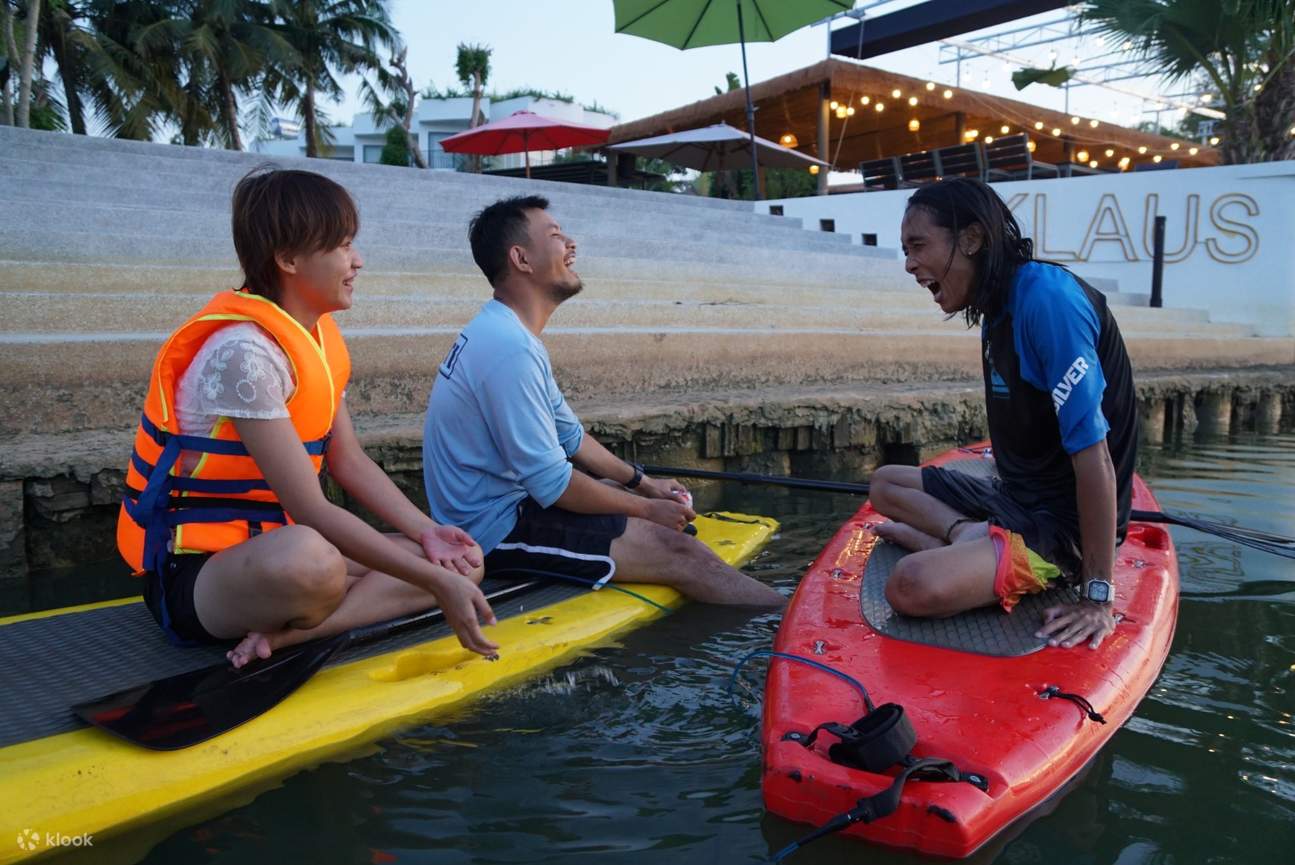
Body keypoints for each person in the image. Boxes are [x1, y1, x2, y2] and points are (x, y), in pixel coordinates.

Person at [117, 167, 498, 668]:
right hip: (200, 574)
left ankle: (287, 639)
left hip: (282, 547)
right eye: (342, 246)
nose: (357, 261)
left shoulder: (313, 341)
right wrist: (431, 582)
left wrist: (429, 534)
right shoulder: (243, 356)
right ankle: (313, 605)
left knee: (463, 560)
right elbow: (311, 507)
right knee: (313, 560)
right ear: (288, 258)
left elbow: (350, 462)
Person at [422, 195, 783, 607]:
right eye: (556, 236)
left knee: (628, 496)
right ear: (521, 259)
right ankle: (789, 627)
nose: (571, 244)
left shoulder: (507, 332)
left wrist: (644, 485)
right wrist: (648, 513)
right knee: (681, 551)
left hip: (513, 504)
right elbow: (553, 485)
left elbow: (570, 436)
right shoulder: (508, 348)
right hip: (493, 532)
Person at [868, 177, 1138, 649]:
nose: (910, 264)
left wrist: (1098, 596)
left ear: (971, 239)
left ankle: (993, 554)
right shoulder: (996, 305)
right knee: (885, 483)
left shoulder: (1048, 302)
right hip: (1016, 498)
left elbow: (1095, 458)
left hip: (1064, 528)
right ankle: (965, 535)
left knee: (910, 586)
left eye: (918, 245)